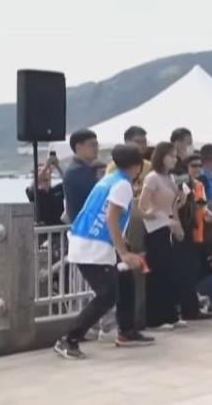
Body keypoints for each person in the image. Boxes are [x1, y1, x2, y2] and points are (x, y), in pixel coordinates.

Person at [54, 144, 154, 360]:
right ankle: (68, 339)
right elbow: (110, 217)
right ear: (137, 166)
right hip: (93, 246)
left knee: (126, 280)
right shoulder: (122, 185)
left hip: (90, 241)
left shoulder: (109, 179)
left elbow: (107, 216)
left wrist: (123, 245)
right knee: (107, 295)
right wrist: (124, 252)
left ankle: (126, 331)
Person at [139, 142, 186, 328]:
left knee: (171, 273)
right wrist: (162, 218)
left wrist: (178, 223)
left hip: (170, 227)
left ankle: (171, 314)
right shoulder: (152, 178)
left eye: (175, 156)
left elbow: (173, 206)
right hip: (156, 228)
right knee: (158, 274)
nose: (175, 159)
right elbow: (143, 207)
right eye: (171, 156)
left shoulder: (171, 178)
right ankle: (155, 318)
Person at [175, 154, 212, 321]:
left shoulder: (199, 185)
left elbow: (202, 206)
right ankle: (188, 309)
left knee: (193, 271)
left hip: (198, 232)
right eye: (193, 166)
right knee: (187, 272)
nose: (197, 169)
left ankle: (192, 307)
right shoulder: (181, 185)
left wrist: (206, 212)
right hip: (186, 231)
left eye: (199, 165)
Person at [62, 129, 100, 222]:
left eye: (96, 145)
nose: (96, 148)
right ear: (78, 147)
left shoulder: (89, 169)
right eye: (92, 145)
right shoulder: (75, 172)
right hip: (85, 226)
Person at [105, 126, 152, 195]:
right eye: (138, 142)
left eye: (144, 142)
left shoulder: (149, 166)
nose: (142, 145)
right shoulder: (114, 166)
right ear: (126, 142)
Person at [26, 154, 65, 226]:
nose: (44, 174)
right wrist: (46, 167)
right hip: (43, 233)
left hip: (60, 231)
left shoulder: (58, 190)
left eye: (47, 172)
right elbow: (34, 184)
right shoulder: (33, 193)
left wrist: (57, 166)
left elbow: (68, 183)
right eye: (40, 171)